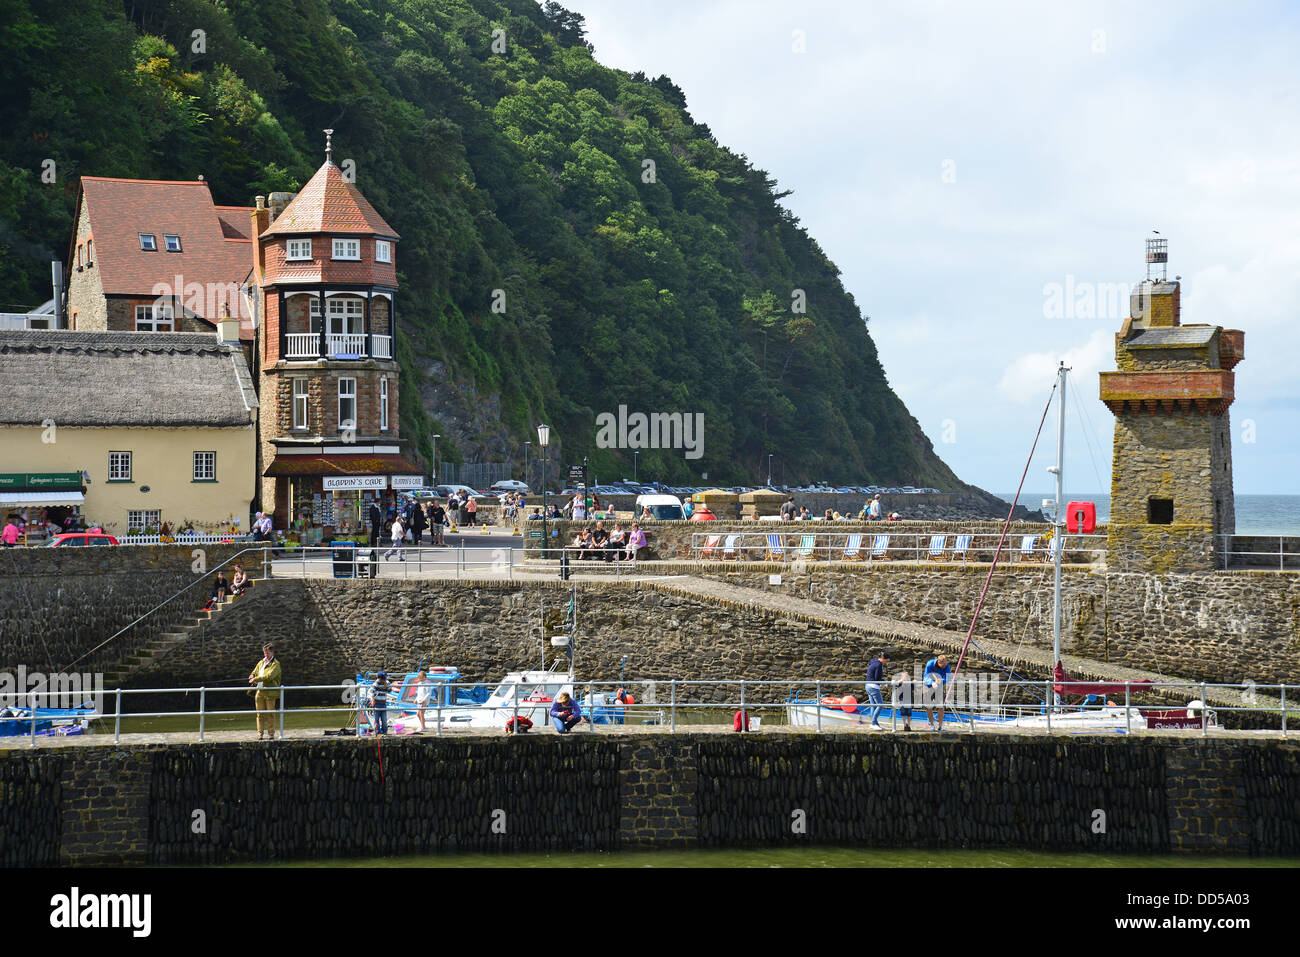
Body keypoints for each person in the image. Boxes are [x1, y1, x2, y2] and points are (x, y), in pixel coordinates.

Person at [248, 643, 282, 741]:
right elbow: (255, 671)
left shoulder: (276, 664)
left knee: (270, 713)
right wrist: (252, 675)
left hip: (270, 692)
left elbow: (269, 677)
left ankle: (271, 733)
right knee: (259, 714)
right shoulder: (261, 662)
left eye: (267, 653)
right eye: (264, 653)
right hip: (259, 691)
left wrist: (255, 679)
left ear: (272, 652)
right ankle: (260, 734)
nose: (266, 655)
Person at [923, 653, 952, 730]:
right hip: (928, 686)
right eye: (943, 665)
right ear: (939, 662)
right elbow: (925, 677)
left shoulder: (946, 665)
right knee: (928, 706)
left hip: (939, 686)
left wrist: (941, 680)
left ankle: (940, 726)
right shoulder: (930, 664)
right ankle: (932, 725)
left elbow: (948, 678)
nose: (945, 666)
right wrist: (932, 683)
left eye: (946, 664)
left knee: (940, 706)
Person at [865, 651, 890, 730]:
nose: (886, 663)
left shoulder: (873, 661)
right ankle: (873, 723)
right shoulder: (879, 665)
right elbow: (877, 679)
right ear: (883, 658)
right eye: (886, 661)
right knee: (880, 705)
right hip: (873, 687)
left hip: (867, 685)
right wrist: (885, 683)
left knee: (873, 705)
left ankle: (875, 723)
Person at [370, 671, 391, 735]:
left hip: (383, 704)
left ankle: (385, 731)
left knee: (384, 719)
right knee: (376, 719)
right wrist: (373, 700)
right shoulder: (376, 683)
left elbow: (389, 691)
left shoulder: (387, 683)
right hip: (377, 704)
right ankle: (377, 731)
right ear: (380, 678)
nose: (385, 680)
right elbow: (371, 691)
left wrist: (387, 686)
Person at [413, 667, 433, 733]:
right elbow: (419, 693)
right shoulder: (419, 684)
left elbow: (428, 693)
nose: (420, 679)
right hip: (419, 700)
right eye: (419, 678)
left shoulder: (427, 684)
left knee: (421, 713)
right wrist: (416, 699)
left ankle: (423, 727)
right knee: (418, 714)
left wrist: (424, 700)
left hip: (424, 701)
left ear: (425, 677)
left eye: (422, 677)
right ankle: (423, 725)